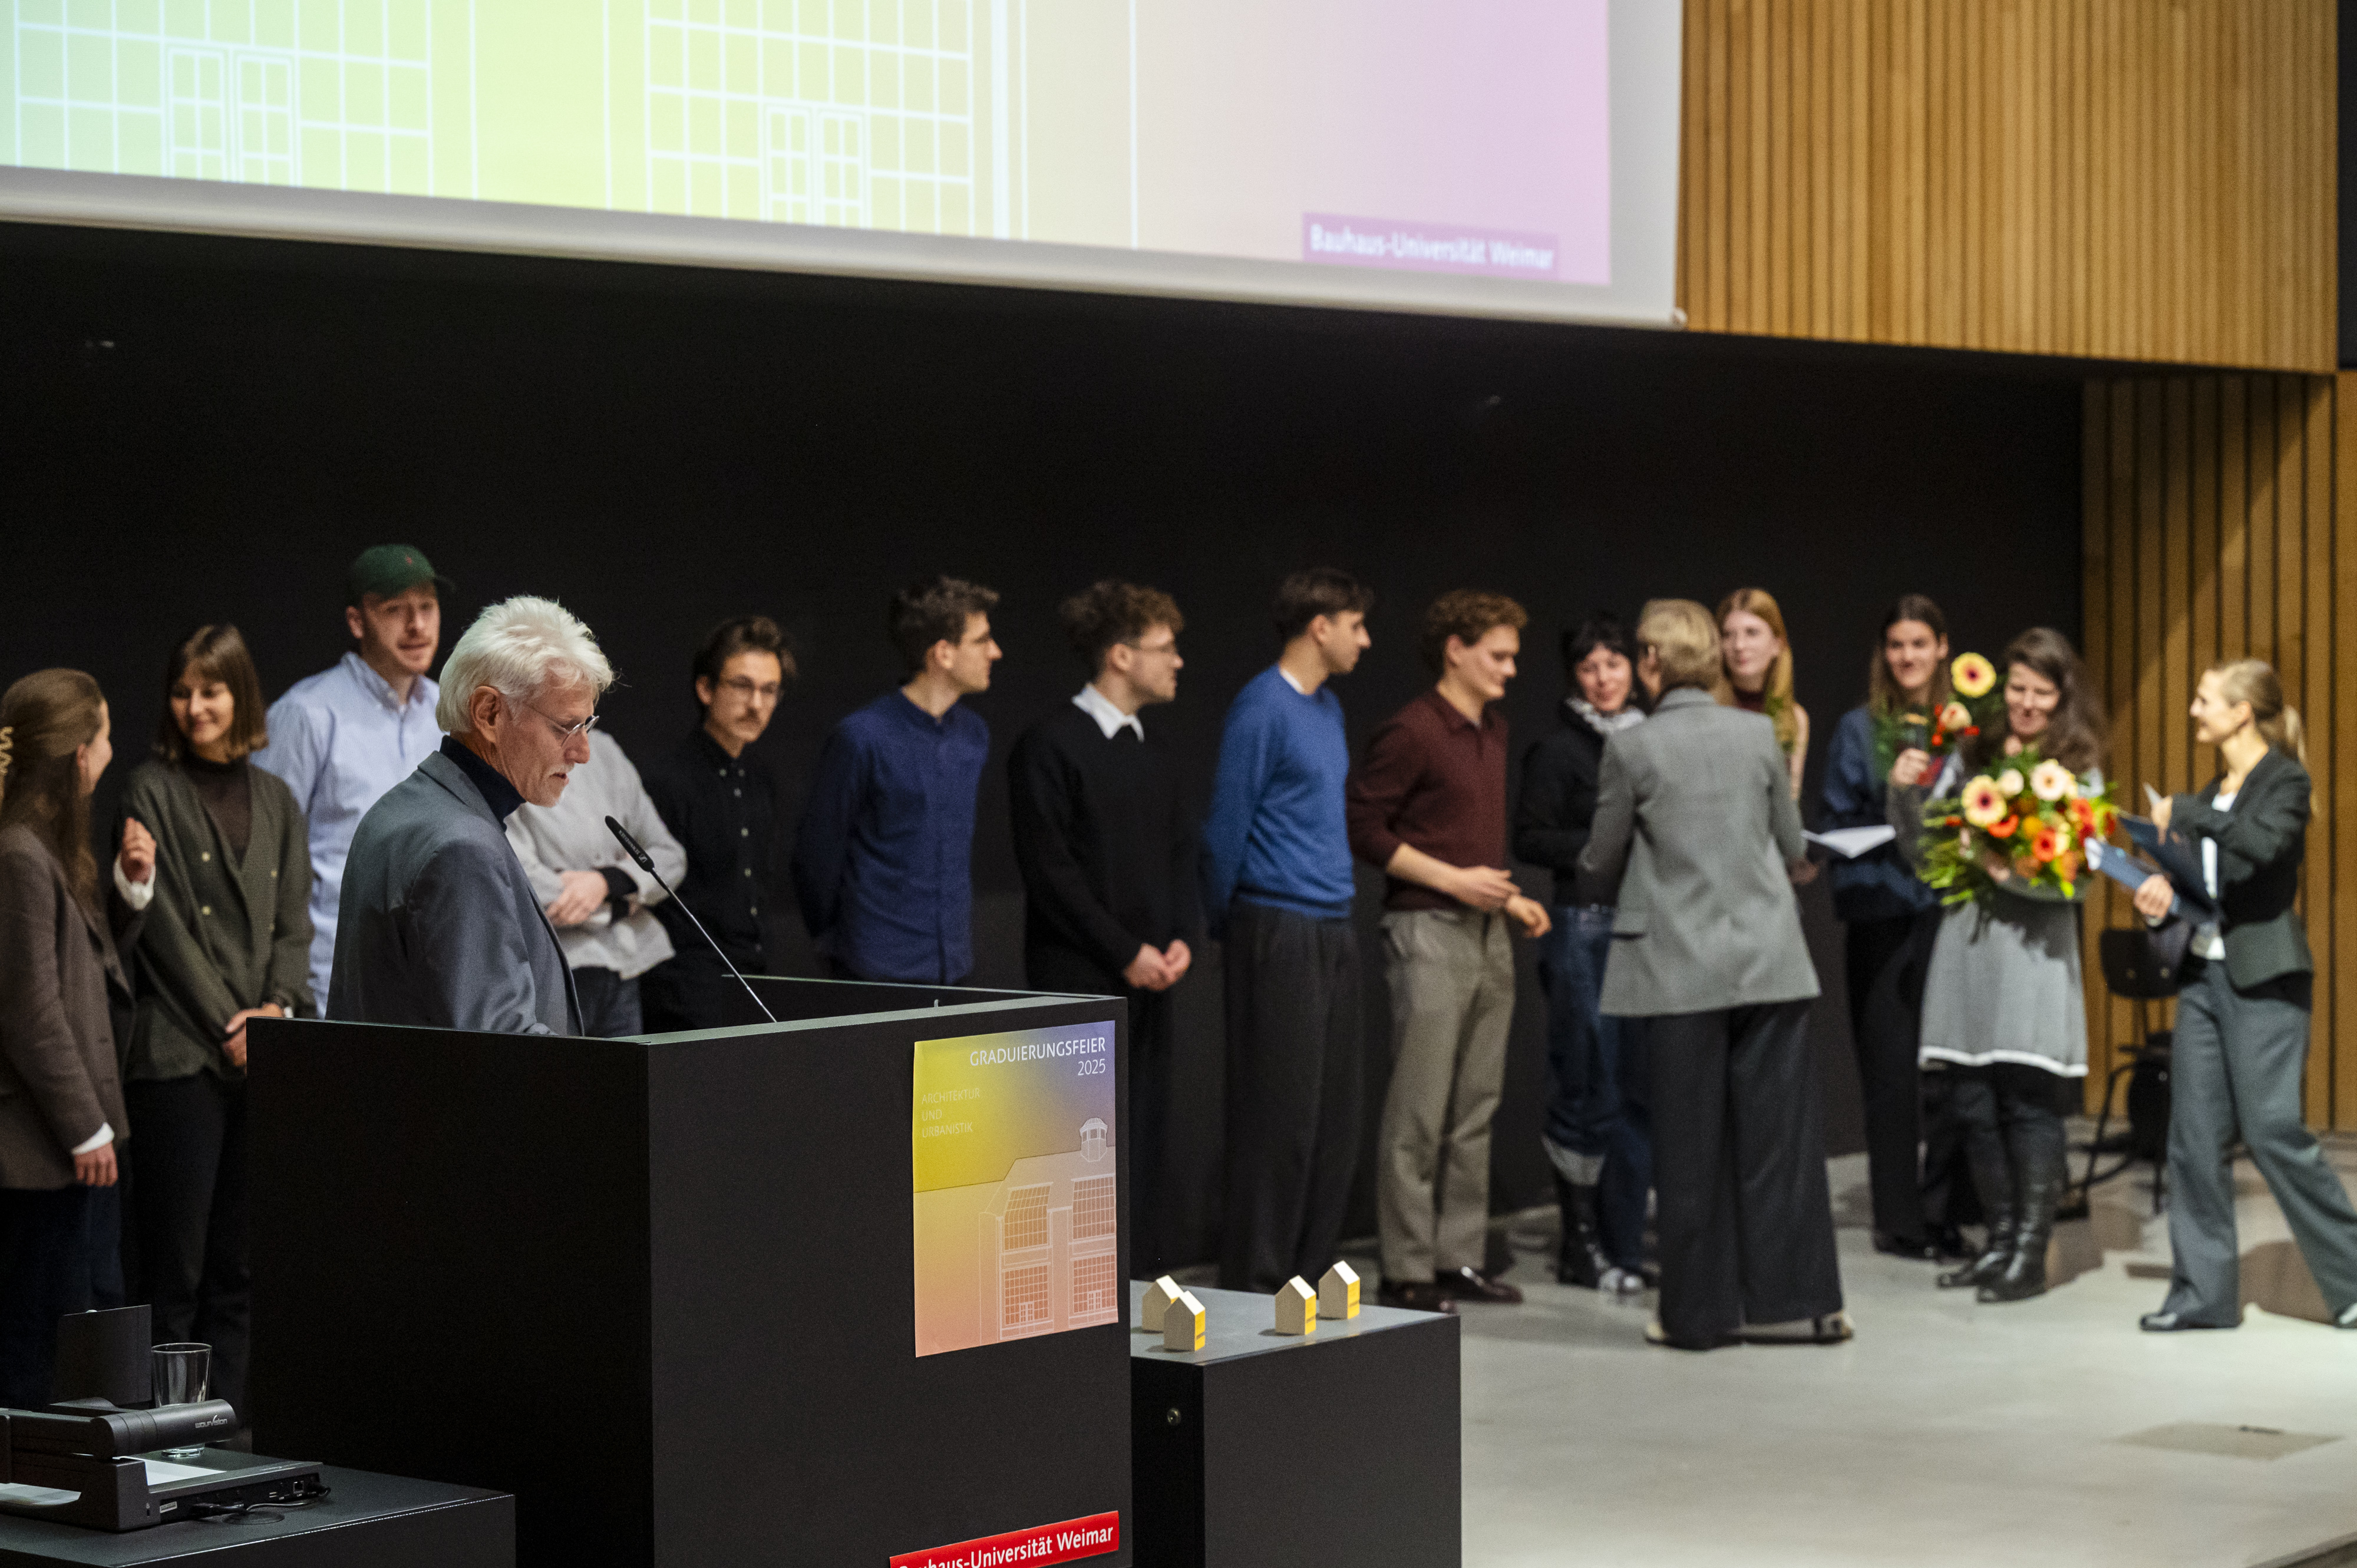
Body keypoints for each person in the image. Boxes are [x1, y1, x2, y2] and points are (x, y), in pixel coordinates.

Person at [1578, 599, 1845, 1350]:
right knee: (1781, 1146)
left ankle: (1697, 1317)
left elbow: (1600, 859)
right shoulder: (1757, 735)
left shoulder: (1631, 748)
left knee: (1689, 1149)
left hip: (1677, 969)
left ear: (1652, 662)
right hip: (1769, 962)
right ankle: (1803, 1307)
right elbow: (1791, 843)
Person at [113, 628, 313, 1421]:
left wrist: (276, 1010)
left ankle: (228, 1433)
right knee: (177, 1270)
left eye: (211, 691)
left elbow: (294, 925)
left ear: (241, 696)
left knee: (240, 1268)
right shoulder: (149, 789)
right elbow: (159, 928)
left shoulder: (278, 798)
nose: (195, 707)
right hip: (179, 1057)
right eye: (182, 692)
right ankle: (166, 1441)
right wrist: (234, 1023)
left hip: (260, 1053)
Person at [2134, 661, 2357, 1332]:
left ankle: (2352, 1279)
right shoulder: (2214, 790)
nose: (2193, 710)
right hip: (2202, 978)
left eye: (2204, 699)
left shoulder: (2285, 782)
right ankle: (2202, 1295)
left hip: (2264, 978)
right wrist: (2160, 893)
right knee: (2193, 1137)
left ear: (2241, 713)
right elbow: (2206, 885)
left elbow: (2261, 846)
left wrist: (2188, 813)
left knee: (2272, 1130)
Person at [1349, 591, 1550, 1312]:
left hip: (1486, 932)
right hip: (1427, 929)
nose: (1510, 670)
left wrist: (1506, 898)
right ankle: (1405, 1267)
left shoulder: (1492, 730)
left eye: (1513, 657)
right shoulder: (1412, 730)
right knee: (1419, 1108)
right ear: (1455, 650)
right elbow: (1364, 828)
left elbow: (1467, 836)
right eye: (1498, 655)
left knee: (1475, 1104)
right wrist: (1454, 882)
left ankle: (1456, 1256)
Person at [1898, 628, 2102, 1305]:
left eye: (2041, 692)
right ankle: (1999, 1242)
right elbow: (1926, 852)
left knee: (2027, 1103)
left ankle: (2030, 1256)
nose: (2026, 703)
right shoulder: (1974, 753)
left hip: (2032, 958)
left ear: (2062, 697)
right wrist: (1905, 796)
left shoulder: (2076, 769)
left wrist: (2001, 869)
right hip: (1968, 950)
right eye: (2017, 688)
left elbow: (2077, 882)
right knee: (1971, 1103)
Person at [1008, 582, 1200, 1278]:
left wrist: (1180, 939)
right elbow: (1051, 873)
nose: (1178, 661)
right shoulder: (1050, 745)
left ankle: (1140, 1282)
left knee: (1143, 1134)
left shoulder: (1155, 750)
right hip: (1081, 979)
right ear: (1120, 656)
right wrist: (1124, 952)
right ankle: (1079, 1290)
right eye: (1165, 648)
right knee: (1079, 1144)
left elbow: (1181, 855)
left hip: (1151, 979)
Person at [1201, 567, 1372, 1298]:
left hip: (1334, 923)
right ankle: (1257, 1282)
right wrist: (1230, 928)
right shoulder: (1261, 707)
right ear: (1319, 626)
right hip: (1276, 923)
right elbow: (1225, 827)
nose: (1365, 640)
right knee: (1280, 1117)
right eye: (1356, 625)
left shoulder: (1327, 709)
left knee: (1333, 1117)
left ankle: (1309, 1274)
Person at [329, 597, 612, 1036]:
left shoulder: (405, 807)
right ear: (489, 713)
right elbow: (501, 1047)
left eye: (586, 726)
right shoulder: (460, 848)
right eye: (565, 727)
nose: (582, 752)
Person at [0, 670, 154, 1408]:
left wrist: (129, 890)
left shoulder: (51, 848)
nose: (112, 752)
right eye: (104, 737)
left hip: (81, 1146)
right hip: (46, 1151)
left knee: (92, 1320)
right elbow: (30, 1010)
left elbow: (83, 969)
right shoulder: (18, 855)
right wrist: (84, 1127)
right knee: (42, 1345)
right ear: (78, 754)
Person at [1819, 595, 1963, 1260]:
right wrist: (1891, 795)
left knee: (1951, 1069)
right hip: (1881, 913)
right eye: (1896, 645)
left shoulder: (1963, 727)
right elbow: (1833, 821)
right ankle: (1901, 1219)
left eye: (1919, 644)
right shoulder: (1858, 729)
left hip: (1950, 912)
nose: (1907, 656)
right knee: (1890, 1071)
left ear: (1942, 648)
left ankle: (1949, 1208)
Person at [1514, 612, 1652, 1293]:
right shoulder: (1559, 750)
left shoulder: (1653, 740)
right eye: (1589, 668)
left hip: (1647, 924)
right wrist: (1603, 845)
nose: (1602, 679)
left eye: (1613, 665)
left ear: (1635, 668)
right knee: (1586, 1082)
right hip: (1583, 924)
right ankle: (1581, 1244)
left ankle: (1624, 1241)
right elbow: (1529, 838)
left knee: (1635, 1087)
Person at [253, 545, 449, 1007]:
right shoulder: (306, 714)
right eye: (395, 610)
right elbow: (264, 859)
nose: (417, 625)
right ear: (358, 622)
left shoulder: (449, 714)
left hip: (429, 987)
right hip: (333, 986)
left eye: (426, 606)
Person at [793, 576, 999, 985]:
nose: (995, 651)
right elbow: (816, 854)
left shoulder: (974, 734)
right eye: (982, 640)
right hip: (876, 966)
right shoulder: (862, 737)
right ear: (943, 653)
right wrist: (833, 942)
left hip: (953, 964)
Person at [639, 616, 795, 1032]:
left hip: (755, 981)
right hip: (686, 993)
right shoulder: (667, 781)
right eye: (743, 686)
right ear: (706, 688)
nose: (757, 704)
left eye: (769, 690)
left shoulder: (761, 778)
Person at [506, 729, 687, 1039]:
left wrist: (606, 883)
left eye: (588, 720)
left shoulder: (604, 748)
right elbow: (522, 884)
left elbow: (669, 857)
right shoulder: (513, 753)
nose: (582, 750)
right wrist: (622, 905)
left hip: (626, 966)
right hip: (553, 972)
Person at [1717, 587, 1811, 801]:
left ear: (1777, 645)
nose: (1739, 645)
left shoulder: (1794, 717)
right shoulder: (1708, 708)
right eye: (1728, 635)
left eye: (1752, 633)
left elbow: (1790, 799)